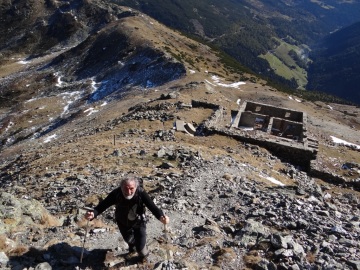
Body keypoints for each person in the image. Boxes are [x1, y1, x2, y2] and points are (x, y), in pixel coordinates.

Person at [84, 176, 169, 261]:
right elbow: (103, 205)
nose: (128, 192)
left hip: (139, 222)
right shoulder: (116, 193)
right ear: (121, 187)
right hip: (122, 222)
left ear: (136, 187)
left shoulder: (140, 193)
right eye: (125, 188)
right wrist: (93, 214)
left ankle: (143, 257)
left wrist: (161, 217)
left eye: (131, 188)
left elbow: (153, 207)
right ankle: (133, 249)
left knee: (142, 251)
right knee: (129, 240)